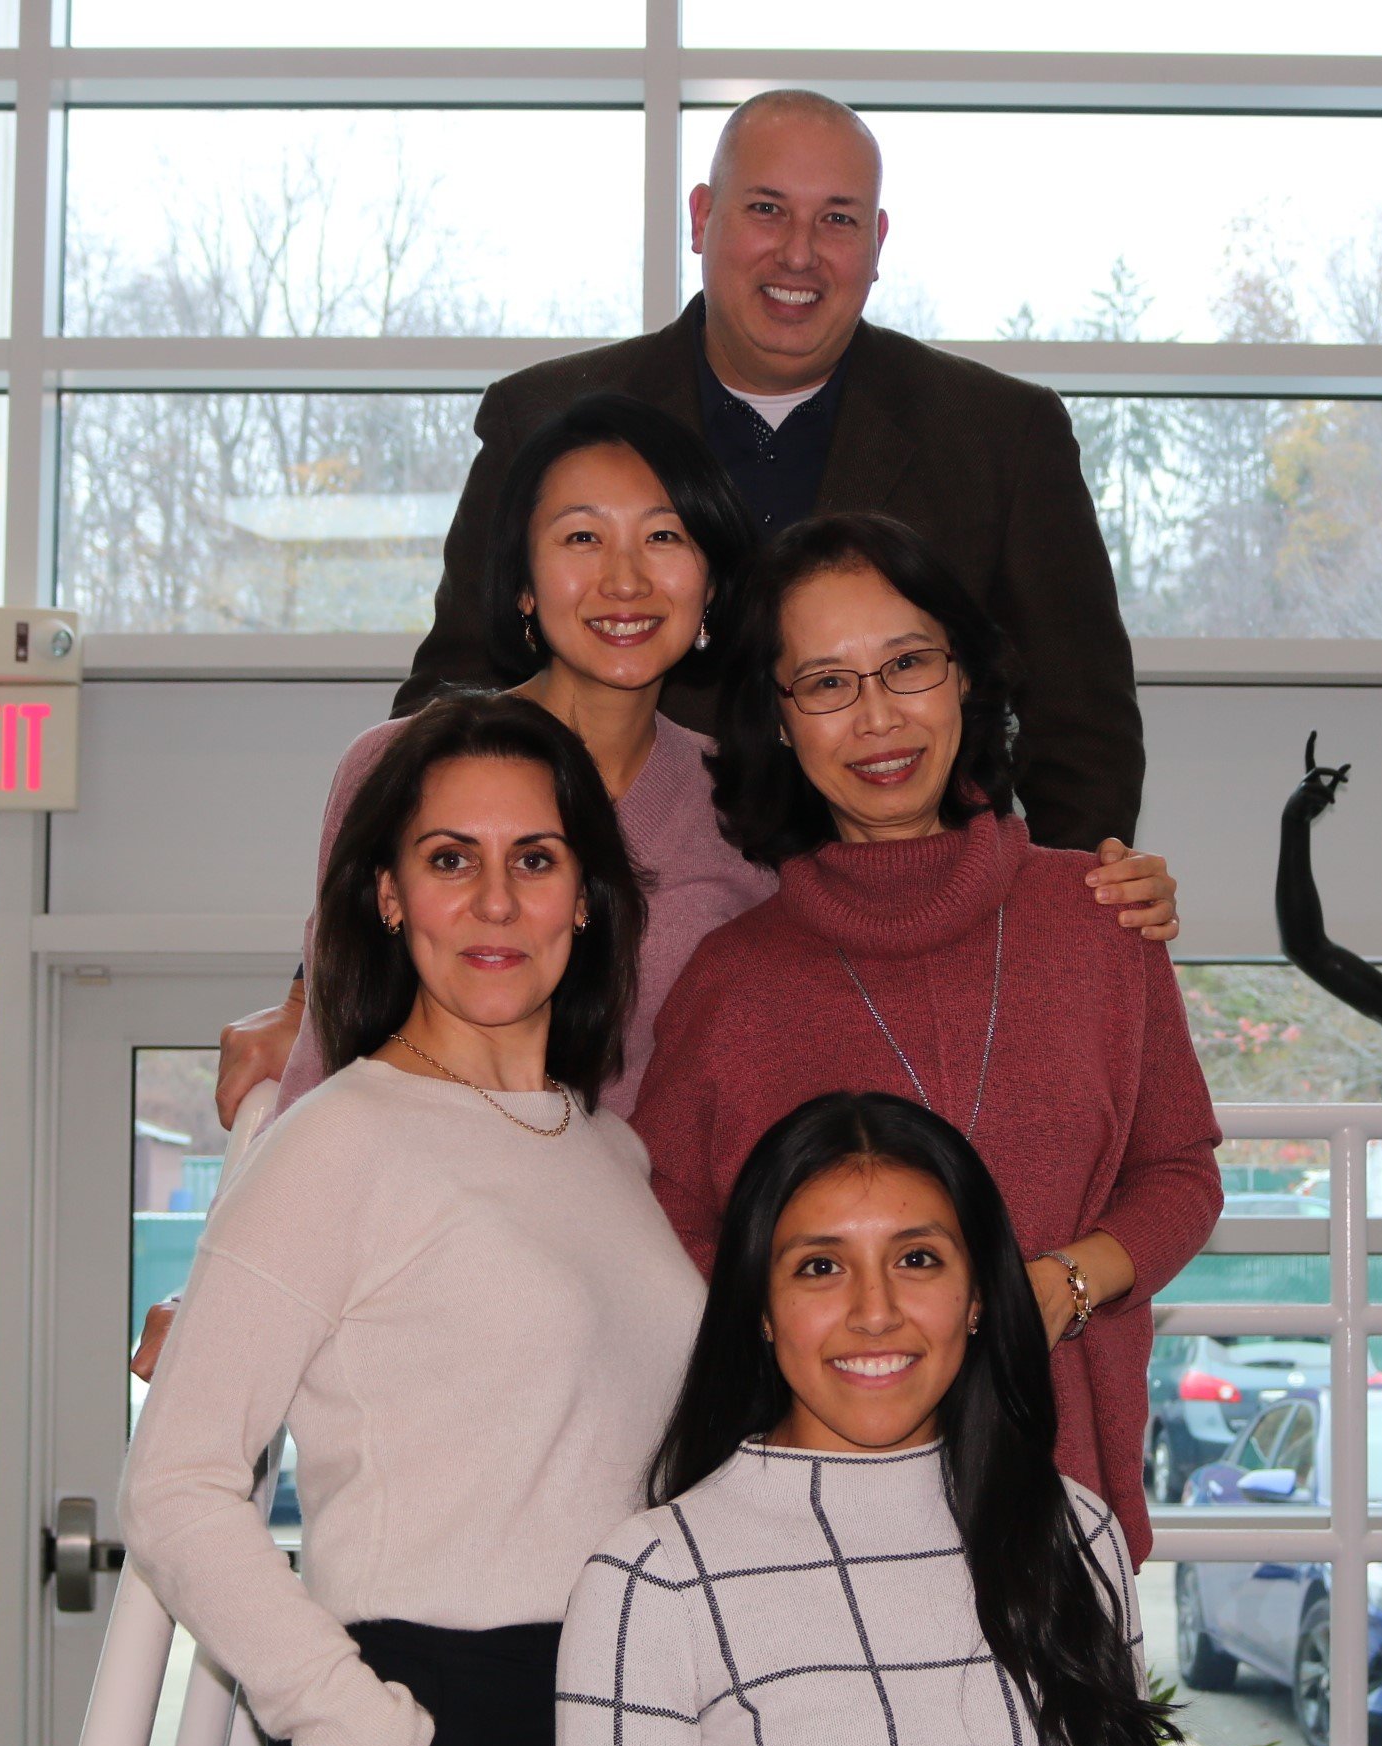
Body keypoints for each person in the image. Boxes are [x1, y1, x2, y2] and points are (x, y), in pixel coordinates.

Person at [138, 397, 1181, 1376]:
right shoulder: (401, 769)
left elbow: (908, 905)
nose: (625, 580)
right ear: (522, 583)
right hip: (413, 1284)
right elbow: (330, 1060)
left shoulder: (750, 810)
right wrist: (228, 1290)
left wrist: (1093, 886)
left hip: (642, 1309)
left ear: (713, 583)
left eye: (666, 537)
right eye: (582, 538)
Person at [119, 693, 702, 1746]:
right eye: (451, 860)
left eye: (534, 860)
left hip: (615, 1737)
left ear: (588, 899)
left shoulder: (610, 1151)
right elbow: (171, 1486)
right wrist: (378, 1744)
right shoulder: (339, 1139)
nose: (495, 902)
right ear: (388, 897)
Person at [629, 513, 1223, 1565]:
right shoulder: (732, 982)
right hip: (805, 1528)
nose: (876, 718)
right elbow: (669, 1216)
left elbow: (1178, 1169)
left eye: (907, 664)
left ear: (963, 680)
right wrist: (803, 1333)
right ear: (778, 721)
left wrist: (1067, 1282)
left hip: (1059, 1496)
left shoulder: (1100, 919)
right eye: (825, 682)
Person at [396, 86, 1145, 855]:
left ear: (878, 242)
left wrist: (1072, 927)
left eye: (838, 219)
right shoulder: (545, 420)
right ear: (700, 217)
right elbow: (453, 700)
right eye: (766, 209)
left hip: (910, 926)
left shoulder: (1000, 436)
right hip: (613, 914)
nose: (799, 252)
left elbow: (1081, 733)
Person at [552, 1091, 1184, 1746]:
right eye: (820, 1268)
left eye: (917, 1258)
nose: (875, 1311)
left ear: (976, 1295)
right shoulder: (657, 1578)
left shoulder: (1074, 1535)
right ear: (761, 1309)